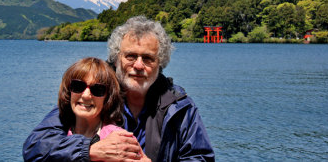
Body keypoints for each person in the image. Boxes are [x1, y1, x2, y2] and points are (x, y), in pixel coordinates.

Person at [23, 16, 215, 161]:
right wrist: (89, 150)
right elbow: (35, 145)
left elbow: (201, 158)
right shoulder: (94, 93)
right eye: (130, 56)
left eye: (148, 58)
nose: (138, 65)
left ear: (160, 63)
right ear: (116, 58)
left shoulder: (180, 106)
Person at [56, 57, 149, 160]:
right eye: (78, 86)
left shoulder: (122, 141)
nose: (86, 95)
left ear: (108, 98)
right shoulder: (54, 136)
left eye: (97, 89)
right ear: (69, 91)